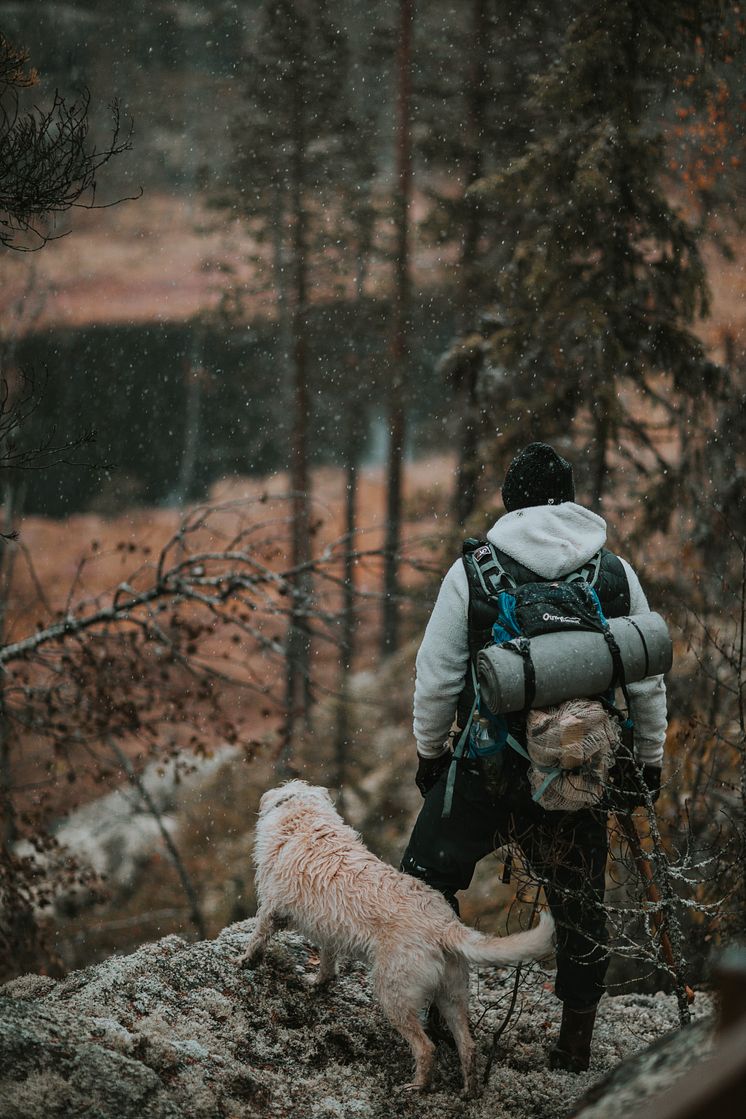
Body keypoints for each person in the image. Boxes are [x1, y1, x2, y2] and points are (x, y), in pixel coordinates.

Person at [400, 442, 667, 1072]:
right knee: (581, 903)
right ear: (569, 496)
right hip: (582, 768)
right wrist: (648, 761)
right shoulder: (613, 572)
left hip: (490, 768)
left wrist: (430, 755)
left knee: (424, 878)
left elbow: (436, 678)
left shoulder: (475, 573)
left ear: (508, 501)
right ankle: (575, 1039)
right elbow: (647, 680)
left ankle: (439, 1016)